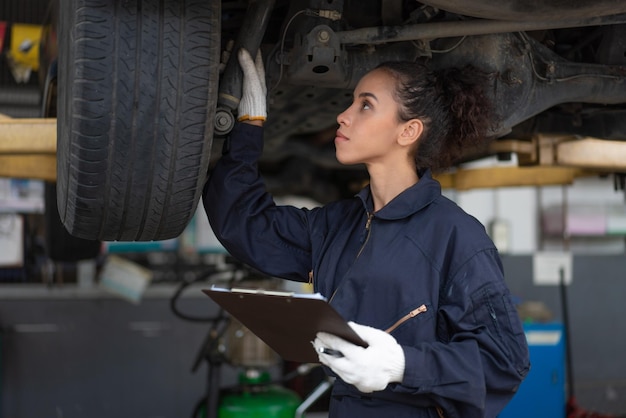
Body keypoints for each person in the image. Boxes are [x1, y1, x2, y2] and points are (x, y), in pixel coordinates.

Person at [203, 48, 530, 418]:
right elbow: (246, 225)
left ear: (408, 131)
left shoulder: (456, 237)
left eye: (366, 106)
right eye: (351, 102)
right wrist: (248, 126)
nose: (342, 116)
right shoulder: (339, 226)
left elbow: (505, 361)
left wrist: (404, 365)